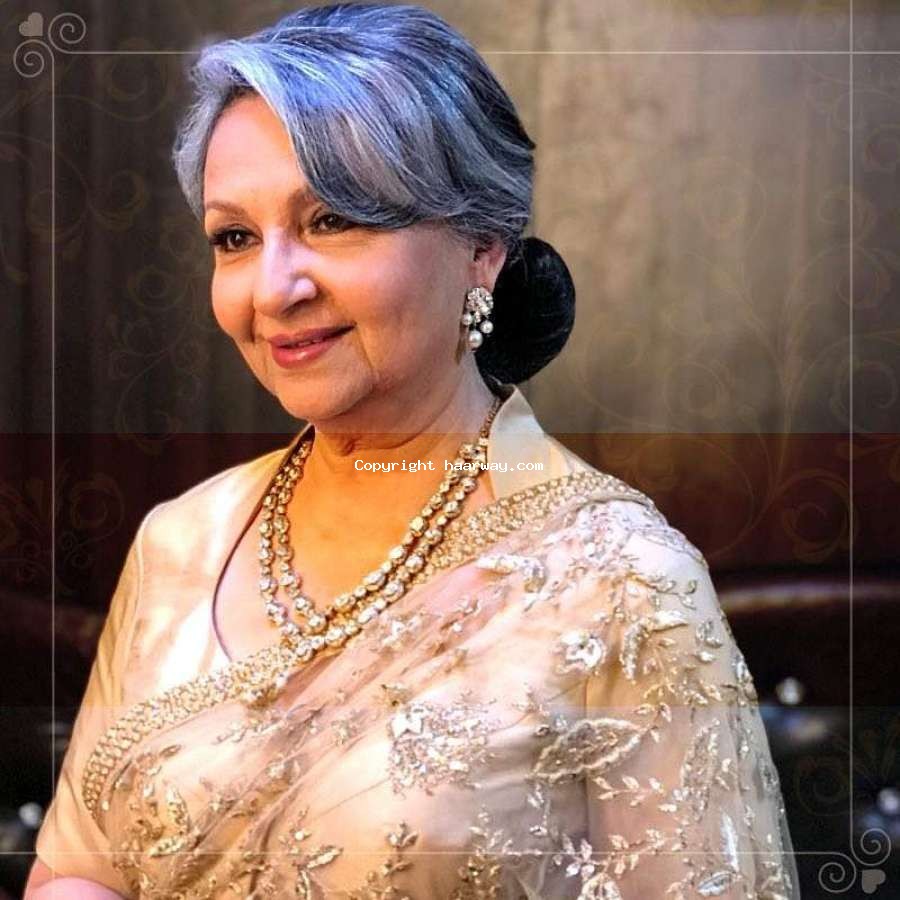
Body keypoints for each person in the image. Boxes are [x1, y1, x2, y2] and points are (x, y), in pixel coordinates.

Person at [26, 4, 799, 897]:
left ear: (482, 249)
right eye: (235, 238)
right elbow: (77, 870)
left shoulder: (624, 583)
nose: (272, 290)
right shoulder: (182, 541)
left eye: (333, 220)